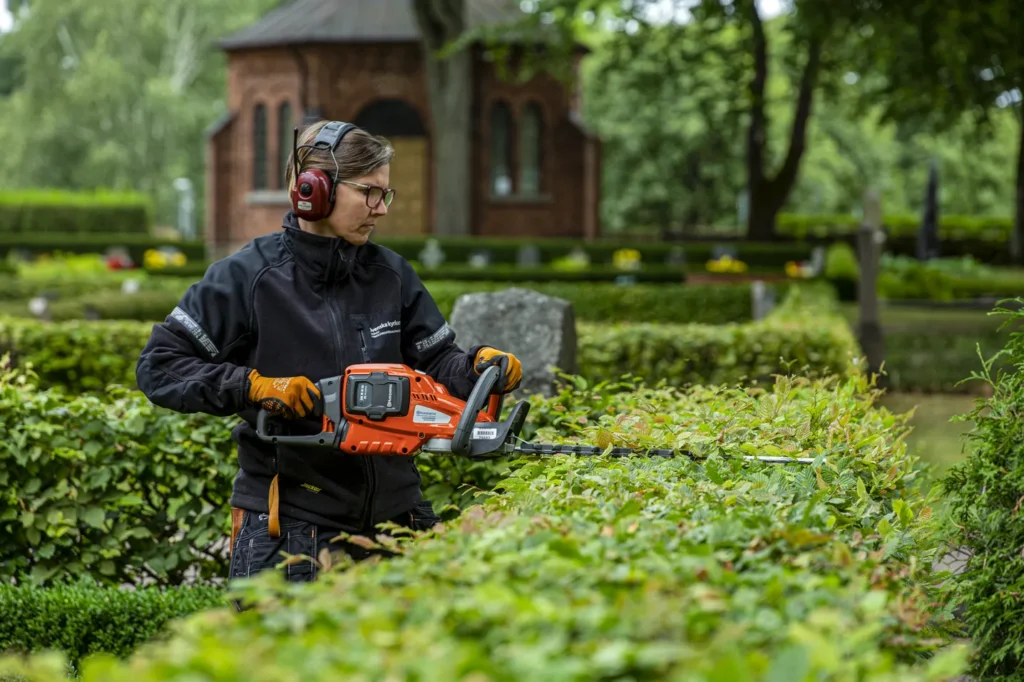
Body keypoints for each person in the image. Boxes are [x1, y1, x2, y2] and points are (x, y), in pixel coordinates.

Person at [135, 119, 522, 583]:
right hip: (291, 528)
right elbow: (159, 366)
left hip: (398, 517)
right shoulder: (248, 277)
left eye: (386, 195)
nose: (380, 209)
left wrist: (478, 367)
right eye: (370, 193)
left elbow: (438, 363)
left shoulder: (391, 274)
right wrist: (251, 386)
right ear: (314, 188)